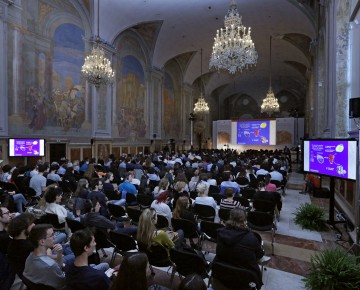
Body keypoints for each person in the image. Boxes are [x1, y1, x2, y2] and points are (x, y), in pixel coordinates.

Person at [215, 208, 264, 289]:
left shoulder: (220, 232)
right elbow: (260, 255)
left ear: (230, 218)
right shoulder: (252, 237)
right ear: (244, 220)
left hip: (223, 273)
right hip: (245, 279)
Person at [23, 224, 67, 289]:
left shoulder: (30, 256)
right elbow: (63, 283)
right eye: (52, 235)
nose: (54, 237)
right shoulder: (50, 265)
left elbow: (58, 268)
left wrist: (59, 253)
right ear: (42, 242)